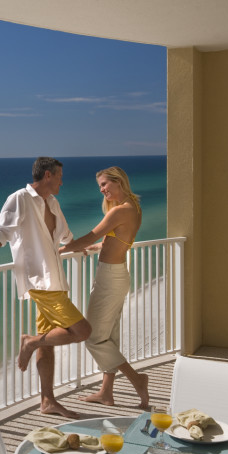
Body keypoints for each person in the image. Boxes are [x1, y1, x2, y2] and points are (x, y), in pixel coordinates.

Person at [0, 157, 91, 419]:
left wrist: (83, 247)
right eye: (60, 176)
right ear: (48, 175)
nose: (63, 181)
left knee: (48, 341)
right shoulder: (19, 198)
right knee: (82, 330)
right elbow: (1, 233)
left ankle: (47, 401)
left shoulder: (52, 202)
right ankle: (28, 342)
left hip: (56, 280)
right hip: (40, 281)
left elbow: (65, 238)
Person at [59, 166, 149, 408]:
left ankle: (137, 379)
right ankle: (106, 392)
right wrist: (98, 247)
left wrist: (59, 250)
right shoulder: (134, 206)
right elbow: (118, 240)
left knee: (93, 337)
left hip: (110, 278)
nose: (102, 190)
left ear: (119, 181)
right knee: (109, 335)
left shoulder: (119, 211)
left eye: (105, 185)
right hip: (117, 274)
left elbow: (90, 236)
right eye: (100, 186)